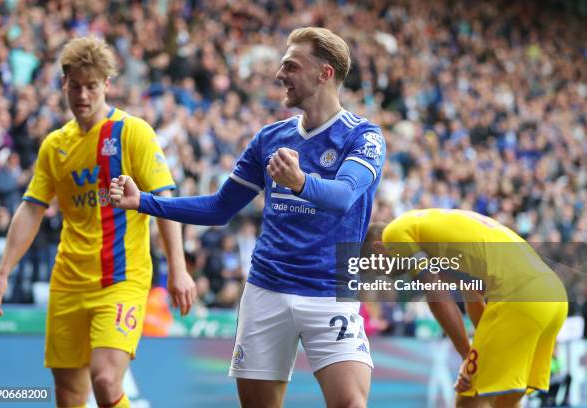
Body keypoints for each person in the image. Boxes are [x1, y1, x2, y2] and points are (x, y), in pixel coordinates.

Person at [109, 27, 385, 408]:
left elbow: (342, 197)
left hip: (330, 293)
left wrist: (300, 181)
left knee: (352, 404)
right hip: (266, 290)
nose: (279, 74)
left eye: (291, 65)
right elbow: (220, 207)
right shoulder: (270, 138)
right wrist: (145, 202)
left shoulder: (364, 137)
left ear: (324, 73)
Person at [0, 36, 197, 408]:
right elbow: (32, 208)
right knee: (68, 396)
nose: (83, 95)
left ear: (107, 85)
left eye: (92, 86)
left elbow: (165, 200)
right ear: (64, 84)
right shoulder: (54, 145)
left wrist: (178, 269)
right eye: (76, 86)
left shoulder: (134, 132)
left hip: (122, 280)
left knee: (106, 380)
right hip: (67, 282)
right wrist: (2, 273)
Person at [366, 209, 568, 408]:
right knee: (504, 400)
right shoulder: (438, 227)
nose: (380, 275)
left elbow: (437, 298)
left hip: (520, 298)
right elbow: (473, 297)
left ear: (377, 249)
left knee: (468, 399)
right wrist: (482, 351)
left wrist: (467, 356)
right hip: (554, 297)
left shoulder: (394, 234)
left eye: (374, 267)